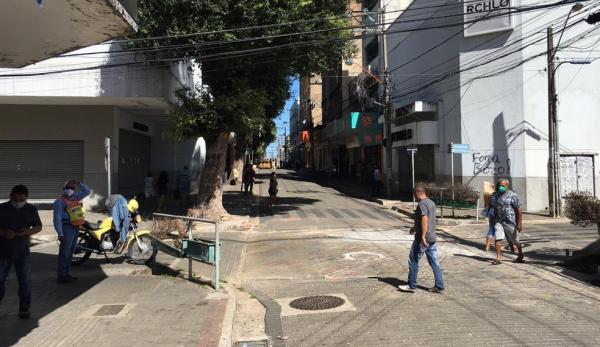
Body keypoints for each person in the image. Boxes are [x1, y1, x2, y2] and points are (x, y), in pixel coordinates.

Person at [0, 185, 42, 319]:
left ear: (26, 198)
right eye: (16, 199)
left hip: (22, 251)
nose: (18, 202)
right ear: (10, 196)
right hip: (2, 251)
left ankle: (24, 306)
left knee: (25, 280)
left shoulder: (30, 209)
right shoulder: (2, 209)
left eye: (22, 199)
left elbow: (38, 226)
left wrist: (27, 231)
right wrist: (4, 232)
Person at [398, 186, 445, 293]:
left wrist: (422, 236)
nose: (415, 197)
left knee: (413, 260)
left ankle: (411, 285)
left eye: (415, 195)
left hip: (422, 239)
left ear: (418, 193)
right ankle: (439, 285)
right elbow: (426, 220)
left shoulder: (422, 204)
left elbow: (425, 220)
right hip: (432, 237)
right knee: (435, 262)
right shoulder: (431, 203)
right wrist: (414, 227)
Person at [53, 180, 91, 283]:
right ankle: (61, 275)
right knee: (64, 253)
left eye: (72, 188)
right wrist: (60, 233)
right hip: (66, 228)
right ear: (64, 189)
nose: (70, 190)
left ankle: (66, 273)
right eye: (68, 188)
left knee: (70, 253)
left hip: (75, 227)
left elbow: (88, 191)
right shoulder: (59, 202)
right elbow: (57, 219)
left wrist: (78, 183)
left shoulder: (75, 197)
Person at [490, 178, 524, 264]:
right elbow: (494, 208)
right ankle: (498, 258)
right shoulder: (495, 195)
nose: (500, 187)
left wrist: (519, 223)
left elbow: (518, 209)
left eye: (502, 185)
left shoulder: (512, 195)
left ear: (507, 186)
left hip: (510, 221)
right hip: (499, 220)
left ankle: (520, 255)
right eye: (499, 185)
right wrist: (494, 220)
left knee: (515, 240)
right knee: (498, 238)